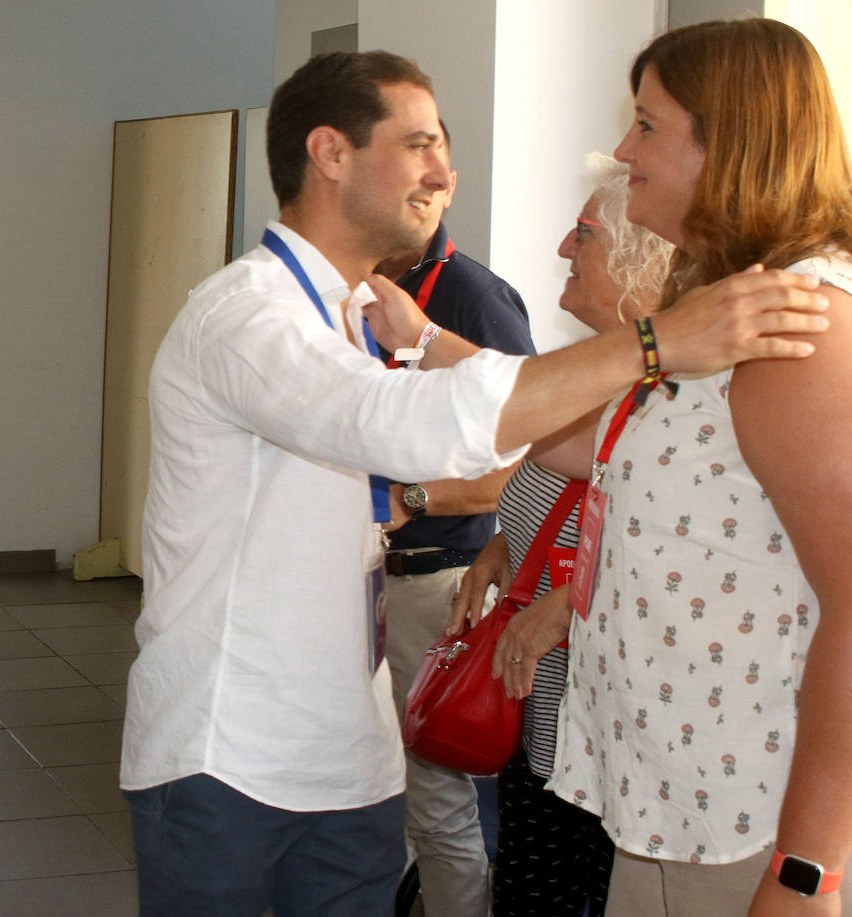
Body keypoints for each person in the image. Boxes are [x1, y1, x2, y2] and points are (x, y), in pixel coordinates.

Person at [119, 48, 828, 916]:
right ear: (331, 153)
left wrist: (431, 342)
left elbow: (577, 436)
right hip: (229, 759)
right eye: (418, 144)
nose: (444, 173)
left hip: (351, 758)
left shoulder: (350, 313)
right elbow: (407, 426)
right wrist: (653, 342)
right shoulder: (247, 316)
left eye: (645, 124)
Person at [539, 19, 852, 917]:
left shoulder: (799, 331)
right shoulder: (720, 309)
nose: (623, 150)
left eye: (647, 125)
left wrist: (808, 869)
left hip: (752, 834)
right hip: (683, 812)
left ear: (732, 143)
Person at [449, 154, 674, 916]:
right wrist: (502, 546)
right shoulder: (591, 374)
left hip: (606, 750)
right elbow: (565, 488)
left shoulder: (669, 397)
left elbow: (664, 549)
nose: (561, 249)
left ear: (641, 260)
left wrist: (572, 601)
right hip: (541, 730)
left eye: (584, 234)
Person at [375, 119, 535, 917]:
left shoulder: (474, 296)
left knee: (443, 804)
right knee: (403, 797)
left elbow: (517, 463)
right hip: (372, 576)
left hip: (439, 579)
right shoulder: (358, 291)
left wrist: (404, 502)